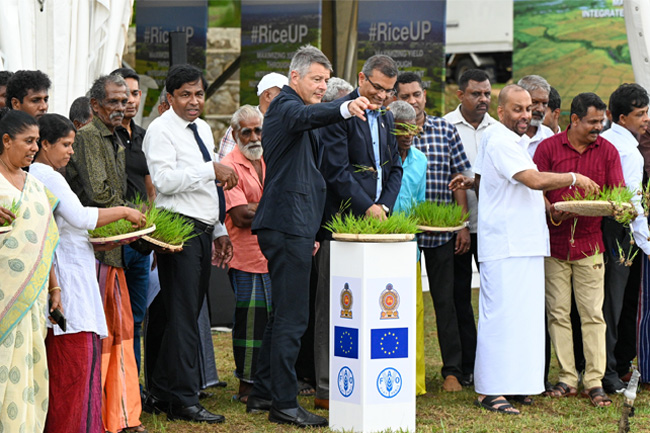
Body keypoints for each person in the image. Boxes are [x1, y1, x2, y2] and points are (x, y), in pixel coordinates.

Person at [245, 44, 375, 427]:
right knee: (292, 318)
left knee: (283, 314)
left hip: (296, 224)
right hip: (287, 223)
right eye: (316, 80)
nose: (322, 86)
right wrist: (344, 105)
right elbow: (309, 115)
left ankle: (263, 392)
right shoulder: (285, 107)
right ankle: (284, 404)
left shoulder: (297, 110)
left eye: (325, 80)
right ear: (295, 77)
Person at [451, 84, 599, 414]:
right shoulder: (500, 139)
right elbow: (531, 180)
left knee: (524, 320)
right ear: (500, 112)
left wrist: (545, 205)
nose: (525, 114)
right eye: (517, 109)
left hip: (526, 243)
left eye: (529, 107)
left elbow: (495, 180)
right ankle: (489, 391)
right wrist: (573, 177)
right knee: (501, 319)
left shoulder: (513, 142)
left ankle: (516, 384)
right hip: (506, 244)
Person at [30, 113, 145, 433]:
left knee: (73, 371)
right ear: (44, 144)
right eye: (65, 145)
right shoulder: (47, 176)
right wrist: (124, 211)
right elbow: (80, 217)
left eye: (73, 144)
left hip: (69, 273)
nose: (70, 152)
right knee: (75, 371)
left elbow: (68, 226)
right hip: (69, 283)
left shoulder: (40, 174)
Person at [142, 64, 237, 424]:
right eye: (185, 94)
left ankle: (163, 392)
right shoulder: (161, 130)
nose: (194, 101)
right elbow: (164, 182)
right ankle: (183, 398)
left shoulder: (200, 128)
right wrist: (210, 169)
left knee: (173, 312)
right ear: (169, 97)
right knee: (183, 316)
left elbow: (203, 189)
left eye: (198, 93)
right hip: (177, 229)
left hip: (201, 225)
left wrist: (218, 230)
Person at [316, 54, 403, 409]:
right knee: (334, 306)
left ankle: (367, 375)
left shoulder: (385, 118)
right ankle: (326, 386)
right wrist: (367, 205)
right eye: (378, 88)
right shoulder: (340, 113)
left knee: (371, 306)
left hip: (378, 220)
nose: (383, 96)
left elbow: (395, 167)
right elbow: (335, 171)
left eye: (389, 90)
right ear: (361, 79)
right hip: (342, 223)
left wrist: (383, 206)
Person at [65, 74, 146, 432]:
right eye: (113, 101)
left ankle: (120, 414)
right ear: (95, 105)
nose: (122, 106)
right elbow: (99, 196)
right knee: (106, 336)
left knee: (122, 332)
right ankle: (104, 415)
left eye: (125, 99)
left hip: (112, 250)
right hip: (93, 254)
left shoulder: (115, 137)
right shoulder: (87, 138)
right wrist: (131, 217)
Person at [534, 92, 625, 408]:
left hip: (590, 245)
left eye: (601, 121)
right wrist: (549, 208)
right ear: (574, 120)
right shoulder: (547, 148)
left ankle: (595, 380)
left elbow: (615, 197)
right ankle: (567, 378)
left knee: (592, 315)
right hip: (554, 243)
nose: (598, 127)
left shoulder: (608, 151)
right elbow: (535, 190)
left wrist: (617, 207)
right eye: (592, 121)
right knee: (558, 312)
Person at [395, 71, 470, 392]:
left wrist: (463, 224)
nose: (412, 101)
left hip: (441, 233)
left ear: (425, 95)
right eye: (405, 96)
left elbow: (460, 178)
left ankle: (452, 370)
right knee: (402, 304)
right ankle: (405, 369)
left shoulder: (445, 130)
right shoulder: (391, 131)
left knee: (446, 301)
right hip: (402, 236)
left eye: (417, 95)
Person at [0, 109, 61, 432]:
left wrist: (55, 289)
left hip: (33, 299)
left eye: (37, 141)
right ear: (6, 141)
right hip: (3, 297)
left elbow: (46, 243)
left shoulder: (37, 186)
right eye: (28, 141)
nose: (35, 148)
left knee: (31, 371)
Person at [443, 68, 497, 386]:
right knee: (460, 296)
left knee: (492, 297)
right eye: (476, 93)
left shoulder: (499, 130)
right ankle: (465, 366)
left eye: (487, 93)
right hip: (459, 229)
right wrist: (460, 224)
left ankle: (490, 366)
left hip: (491, 228)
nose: (483, 99)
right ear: (460, 95)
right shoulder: (446, 126)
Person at [599, 83, 650, 393]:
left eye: (646, 112)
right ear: (620, 117)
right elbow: (634, 206)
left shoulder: (608, 141)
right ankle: (612, 371)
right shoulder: (628, 151)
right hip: (621, 232)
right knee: (615, 306)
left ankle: (614, 366)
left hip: (611, 229)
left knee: (613, 304)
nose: (646, 119)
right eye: (640, 114)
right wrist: (646, 243)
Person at [220, 105, 268, 403]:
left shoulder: (270, 157)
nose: (253, 137)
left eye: (258, 130)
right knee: (250, 320)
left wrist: (259, 207)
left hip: (272, 253)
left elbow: (254, 209)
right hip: (246, 255)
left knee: (272, 318)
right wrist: (277, 208)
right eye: (246, 132)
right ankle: (247, 385)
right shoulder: (230, 164)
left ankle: (265, 381)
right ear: (235, 134)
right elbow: (239, 215)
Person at [110, 67, 154, 376]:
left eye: (135, 93)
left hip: (141, 241)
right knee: (115, 318)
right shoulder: (102, 136)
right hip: (112, 240)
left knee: (137, 318)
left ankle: (134, 390)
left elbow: (150, 186)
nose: (129, 100)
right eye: (123, 94)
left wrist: (151, 231)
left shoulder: (143, 136)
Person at [388, 100, 427, 395]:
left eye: (411, 127)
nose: (407, 134)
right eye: (401, 128)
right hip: (382, 244)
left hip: (410, 247)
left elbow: (421, 204)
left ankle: (414, 383)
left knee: (413, 312)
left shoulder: (420, 161)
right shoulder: (380, 159)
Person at [217, 72, 287, 162]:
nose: (290, 100)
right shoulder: (242, 122)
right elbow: (225, 165)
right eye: (285, 95)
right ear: (268, 96)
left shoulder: (287, 123)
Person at [517, 75, 555, 157]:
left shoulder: (548, 136)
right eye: (534, 102)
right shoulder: (501, 134)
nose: (540, 109)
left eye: (544, 103)